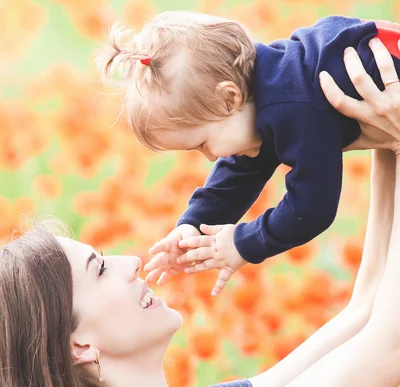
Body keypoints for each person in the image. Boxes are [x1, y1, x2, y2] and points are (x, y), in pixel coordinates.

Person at [1, 44, 400, 387]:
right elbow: (388, 349)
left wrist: (386, 142)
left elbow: (365, 315)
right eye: (99, 268)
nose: (130, 261)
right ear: (79, 346)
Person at [97, 12, 400, 296]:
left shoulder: (294, 106)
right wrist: (193, 224)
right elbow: (241, 169)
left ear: (229, 96)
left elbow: (311, 208)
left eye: (202, 143)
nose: (211, 157)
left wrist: (242, 244)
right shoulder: (273, 85)